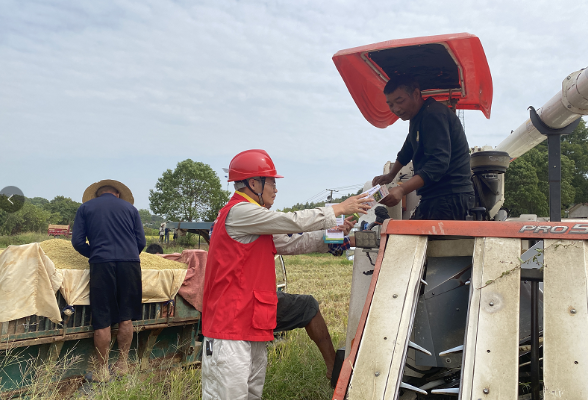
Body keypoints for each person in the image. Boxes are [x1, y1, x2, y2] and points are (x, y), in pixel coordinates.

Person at [201, 149, 371, 400]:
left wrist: (338, 233)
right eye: (272, 182)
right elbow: (292, 222)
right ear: (253, 182)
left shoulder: (257, 223)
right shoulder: (239, 212)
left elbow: (298, 242)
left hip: (252, 324)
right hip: (230, 329)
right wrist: (337, 210)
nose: (276, 189)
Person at [71, 179, 145, 382]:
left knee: (102, 318)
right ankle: (122, 365)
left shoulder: (85, 208)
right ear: (118, 194)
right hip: (130, 264)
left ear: (97, 194)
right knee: (126, 316)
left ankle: (102, 370)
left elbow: (77, 241)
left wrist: (95, 252)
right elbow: (141, 242)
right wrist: (128, 254)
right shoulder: (131, 210)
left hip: (101, 264)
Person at [372, 75, 474, 220]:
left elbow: (438, 164)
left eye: (400, 101)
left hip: (451, 196)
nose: (396, 109)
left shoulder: (433, 115)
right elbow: (407, 150)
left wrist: (402, 189)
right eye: (391, 104)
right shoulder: (417, 118)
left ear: (415, 94)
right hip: (433, 196)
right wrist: (390, 175)